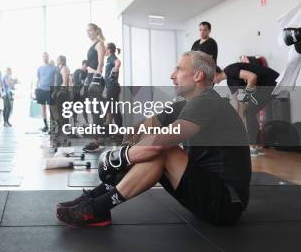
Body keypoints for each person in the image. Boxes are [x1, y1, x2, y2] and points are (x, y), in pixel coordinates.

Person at [56, 51, 251, 227]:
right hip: (207, 191)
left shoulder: (207, 102)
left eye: (179, 69)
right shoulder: (184, 105)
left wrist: (119, 157)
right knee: (150, 146)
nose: (171, 75)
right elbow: (139, 129)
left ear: (198, 76)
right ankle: (94, 200)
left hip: (227, 204)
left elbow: (158, 144)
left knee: (162, 149)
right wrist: (126, 152)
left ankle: (98, 208)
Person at [214, 56, 279, 155]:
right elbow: (236, 103)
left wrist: (247, 97)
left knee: (249, 112)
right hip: (267, 87)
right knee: (248, 112)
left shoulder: (230, 70)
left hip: (272, 83)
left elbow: (252, 77)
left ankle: (253, 146)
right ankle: (256, 146)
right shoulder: (230, 81)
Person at [82, 23, 107, 152]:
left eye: (90, 30)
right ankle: (98, 139)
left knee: (95, 110)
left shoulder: (99, 44)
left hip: (96, 79)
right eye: (87, 31)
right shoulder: (93, 44)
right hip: (91, 78)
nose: (88, 33)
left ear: (96, 31)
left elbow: (101, 63)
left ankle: (97, 140)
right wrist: (88, 80)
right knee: (93, 110)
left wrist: (95, 81)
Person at [36, 53, 58, 132]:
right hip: (40, 90)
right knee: (43, 108)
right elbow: (38, 79)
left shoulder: (54, 68)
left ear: (48, 57)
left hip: (50, 90)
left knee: (51, 108)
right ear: (42, 58)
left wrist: (55, 90)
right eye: (44, 57)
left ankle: (54, 125)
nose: (45, 58)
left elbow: (55, 80)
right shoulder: (39, 68)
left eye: (46, 57)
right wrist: (36, 89)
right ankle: (45, 125)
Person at [104, 43, 122, 127]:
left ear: (109, 50)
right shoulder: (108, 59)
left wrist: (113, 75)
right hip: (110, 88)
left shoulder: (112, 57)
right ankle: (107, 129)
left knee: (114, 109)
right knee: (110, 109)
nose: (104, 50)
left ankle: (121, 132)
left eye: (105, 49)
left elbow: (118, 63)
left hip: (113, 87)